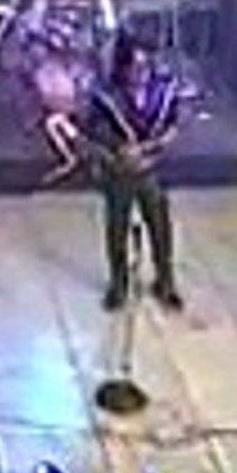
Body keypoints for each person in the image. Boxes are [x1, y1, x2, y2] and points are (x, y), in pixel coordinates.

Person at [83, 32, 183, 312]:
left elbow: (174, 125)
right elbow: (93, 132)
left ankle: (165, 280)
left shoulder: (163, 90)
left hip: (151, 167)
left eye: (145, 66)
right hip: (119, 169)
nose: (140, 73)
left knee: (160, 225)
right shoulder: (107, 95)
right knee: (118, 228)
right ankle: (119, 284)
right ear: (123, 66)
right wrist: (119, 153)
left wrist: (152, 150)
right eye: (134, 67)